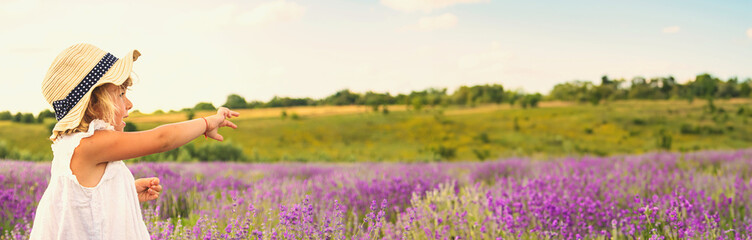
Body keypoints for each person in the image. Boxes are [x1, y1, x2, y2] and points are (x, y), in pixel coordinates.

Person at [30, 43, 239, 239]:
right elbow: (162, 139)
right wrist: (207, 122)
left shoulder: (74, 146)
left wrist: (126, 190)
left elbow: (81, 203)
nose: (129, 103)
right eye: (120, 94)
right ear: (93, 103)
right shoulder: (89, 145)